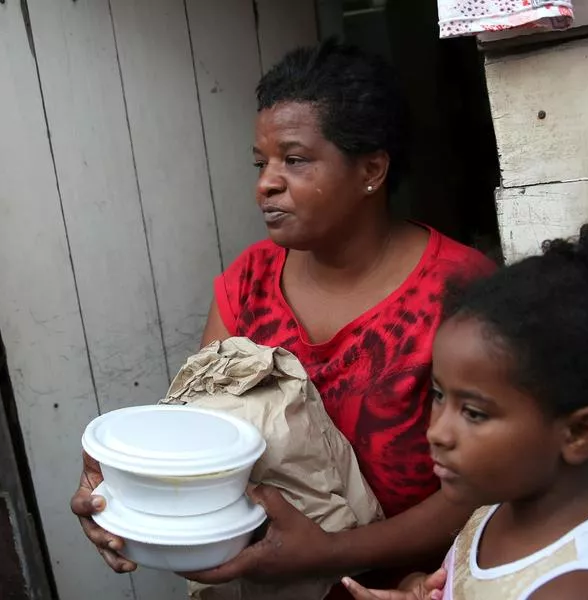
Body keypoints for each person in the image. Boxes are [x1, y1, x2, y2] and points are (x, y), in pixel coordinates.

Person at [72, 40, 496, 594]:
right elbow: (201, 436)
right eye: (261, 162)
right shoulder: (248, 283)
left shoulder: (460, 293)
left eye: (294, 160)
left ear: (371, 169)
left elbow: (485, 486)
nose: (266, 183)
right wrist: (121, 494)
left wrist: (328, 555)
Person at [343, 199, 588, 600]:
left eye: (473, 412)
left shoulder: (580, 589)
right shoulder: (505, 498)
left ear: (579, 433)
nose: (437, 431)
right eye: (439, 395)